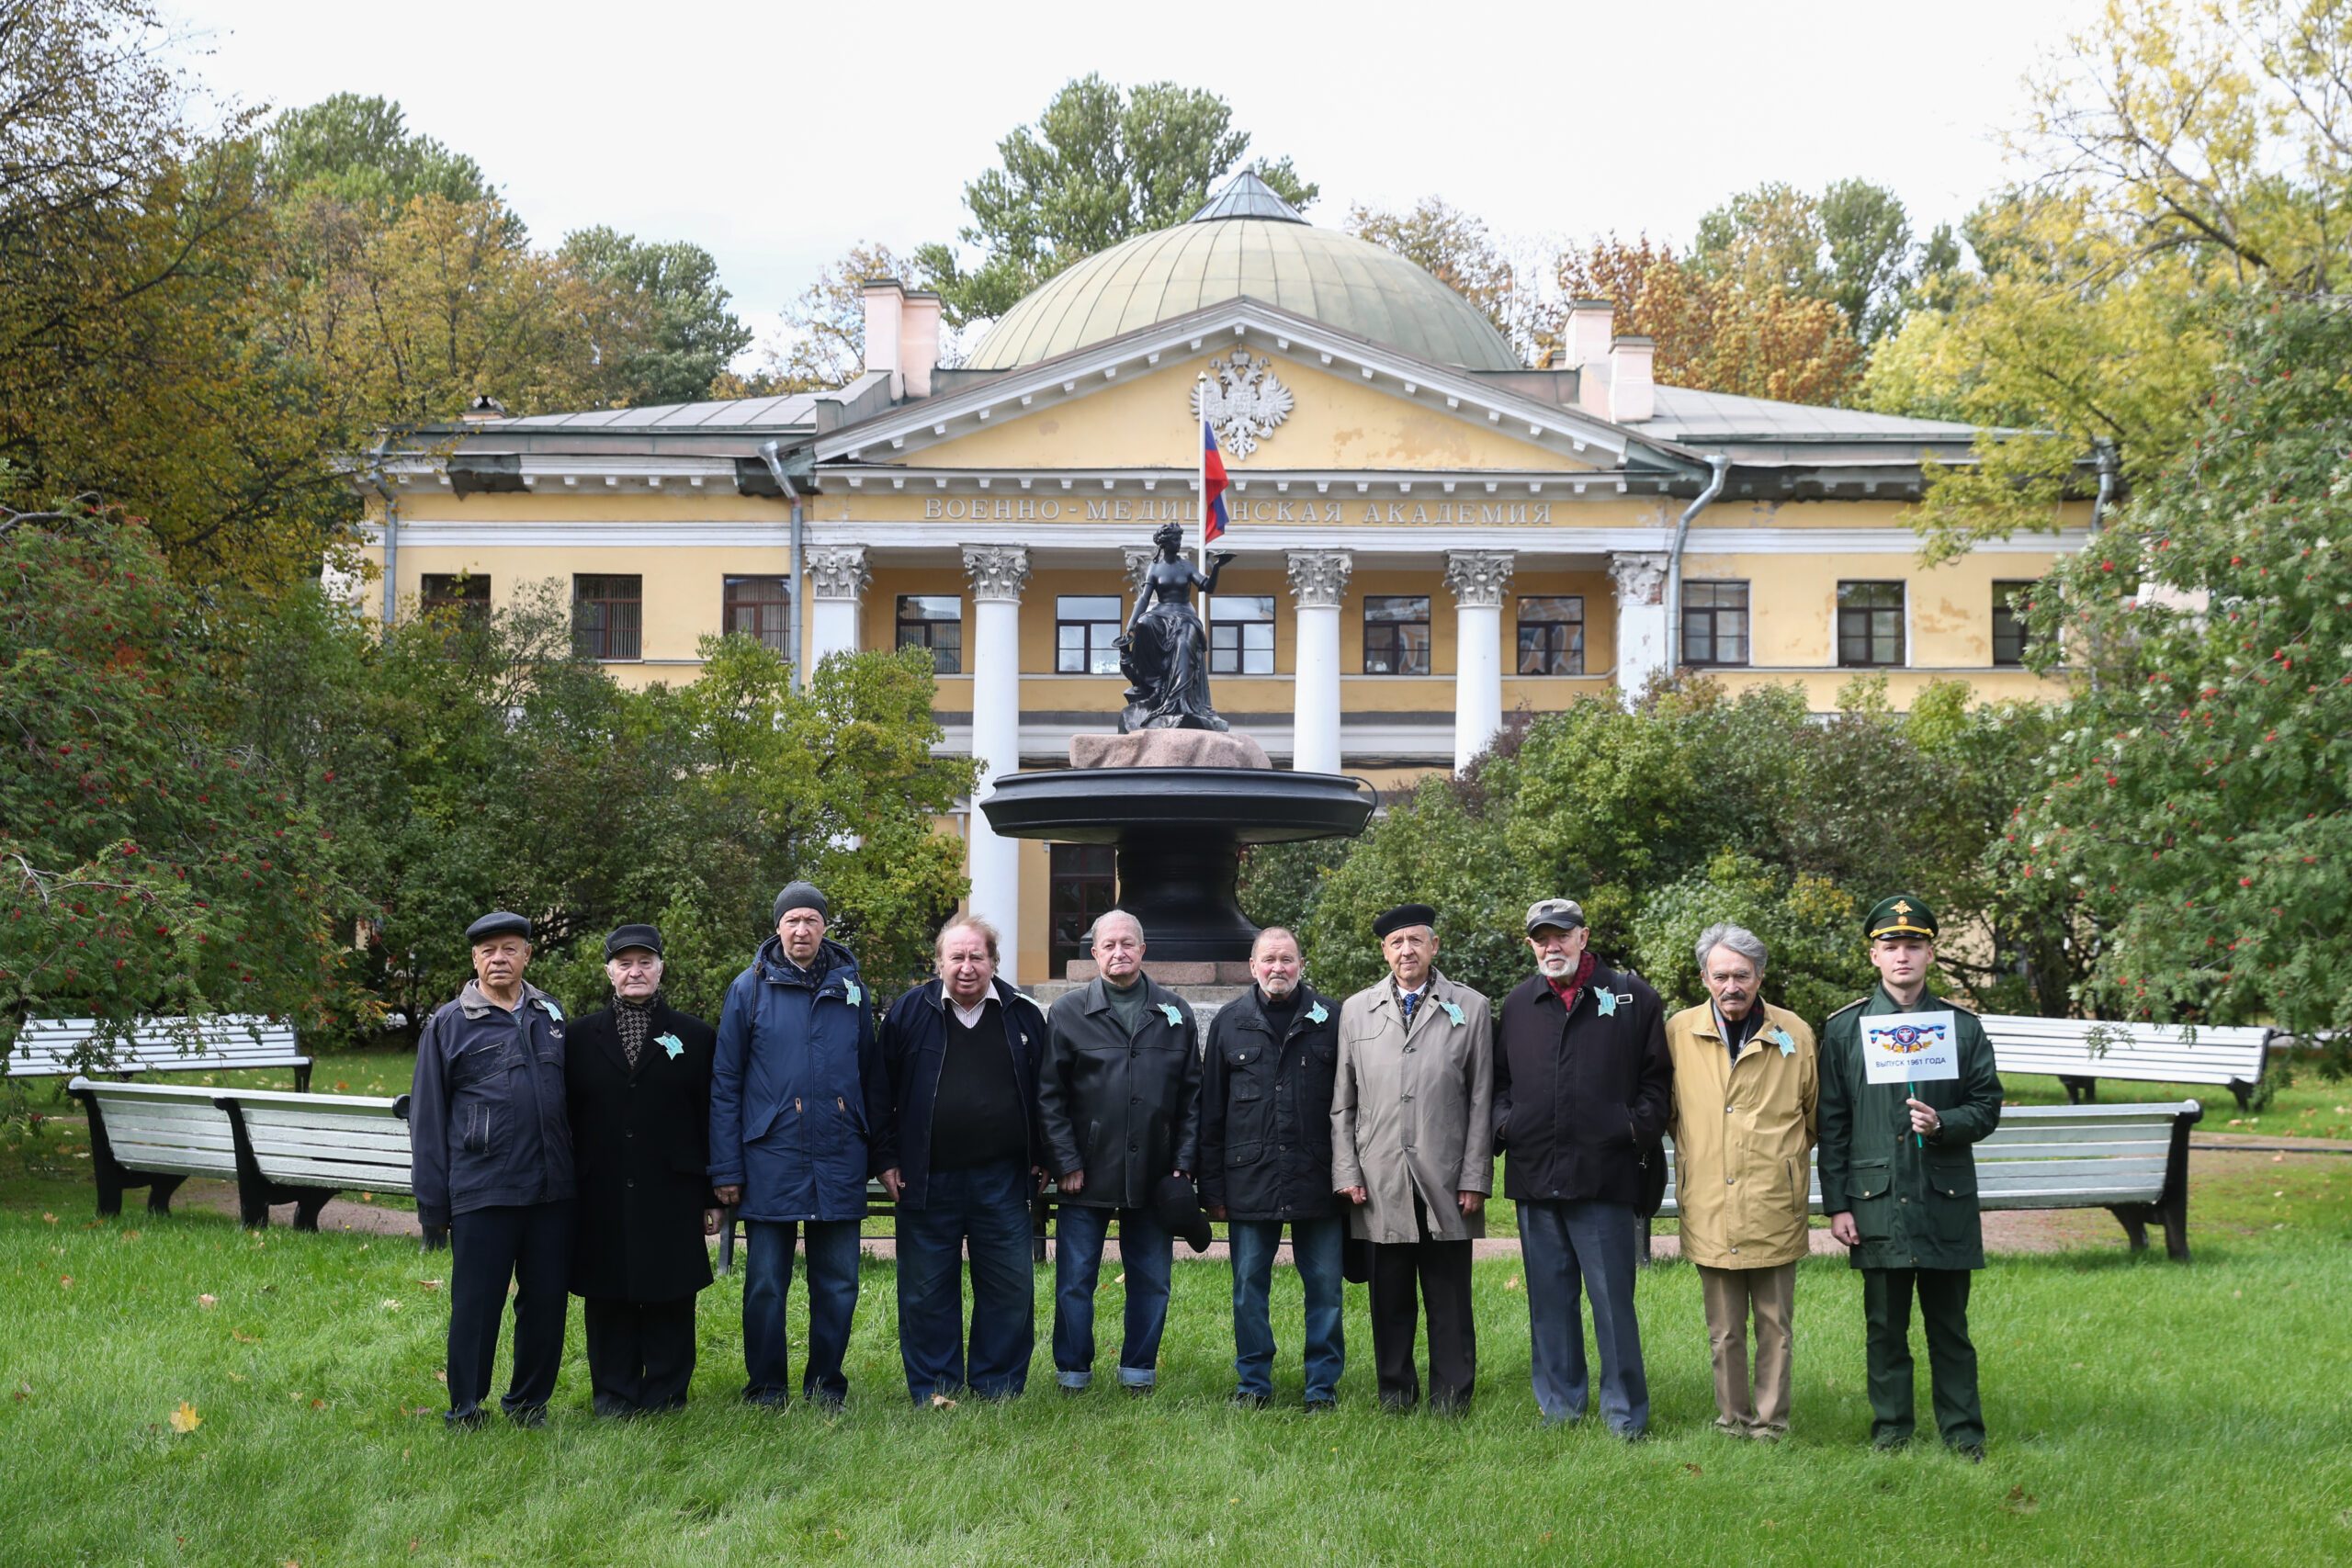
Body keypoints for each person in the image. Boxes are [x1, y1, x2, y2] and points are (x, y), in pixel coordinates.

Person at [1817, 894, 2003, 1460]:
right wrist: (1838, 1204)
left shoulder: (1961, 1028)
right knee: (1885, 1326)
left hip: (1942, 1197)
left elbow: (1987, 1106)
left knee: (1950, 1327)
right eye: (1890, 946)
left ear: (1931, 954)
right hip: (1875, 1201)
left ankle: (1963, 1434)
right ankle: (1893, 1430)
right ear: (1873, 956)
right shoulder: (1846, 1030)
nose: (1902, 956)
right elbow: (1833, 1123)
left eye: (1913, 946)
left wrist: (1945, 1122)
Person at [1493, 897, 1671, 1438]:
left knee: (1613, 1306)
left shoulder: (1632, 998)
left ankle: (1624, 1417)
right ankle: (1561, 1408)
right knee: (1549, 1303)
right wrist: (1507, 1126)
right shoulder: (1519, 1005)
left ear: (1583, 936)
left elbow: (1657, 1083)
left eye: (1561, 935)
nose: (1552, 946)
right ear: (1531, 944)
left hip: (1606, 1177)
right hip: (1536, 1176)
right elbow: (1499, 1084)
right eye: (1541, 937)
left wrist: (1629, 1128)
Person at [708, 882, 884, 1411]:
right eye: (792, 921)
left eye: (811, 919)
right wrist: (725, 1167)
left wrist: (879, 1152)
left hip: (838, 1155)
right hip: (770, 1158)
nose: (802, 929)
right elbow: (725, 1080)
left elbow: (870, 1074)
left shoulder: (852, 987)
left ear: (825, 926)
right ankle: (765, 1388)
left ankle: (826, 1385)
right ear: (777, 927)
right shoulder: (749, 989)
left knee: (838, 1285)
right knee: (765, 1285)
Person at [408, 910, 575, 1428]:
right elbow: (428, 1118)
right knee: (477, 1307)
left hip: (552, 1190)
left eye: (508, 949)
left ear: (527, 954)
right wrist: (433, 1205)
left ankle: (529, 1403)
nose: (498, 959)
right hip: (483, 1189)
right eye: (487, 951)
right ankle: (466, 1407)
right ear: (474, 959)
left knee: (546, 1304)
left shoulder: (551, 1014)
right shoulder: (448, 1024)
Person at [876, 915, 1051, 1404]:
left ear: (994, 961)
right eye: (957, 957)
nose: (967, 966)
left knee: (1010, 1289)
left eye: (977, 956)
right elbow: (879, 1091)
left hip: (1003, 1177)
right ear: (939, 963)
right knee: (926, 1291)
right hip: (925, 1177)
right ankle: (937, 1387)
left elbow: (1047, 1094)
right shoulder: (909, 1013)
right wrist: (886, 1157)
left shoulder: (1023, 1014)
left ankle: (997, 1386)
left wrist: (1044, 1155)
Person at [1331, 903, 1493, 1415]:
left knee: (1449, 1299)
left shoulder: (1472, 1007)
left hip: (1446, 1182)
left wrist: (1474, 1177)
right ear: (1384, 950)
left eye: (1416, 941)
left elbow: (1482, 1100)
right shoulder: (1356, 1010)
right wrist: (1347, 1171)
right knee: (1390, 1298)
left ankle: (1452, 1399)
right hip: (1379, 1180)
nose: (1407, 950)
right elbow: (1343, 1101)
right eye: (1397, 942)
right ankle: (1395, 1394)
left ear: (1434, 947)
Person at [1664, 922, 1818, 1440]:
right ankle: (1732, 1419)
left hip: (1775, 1199)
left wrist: (1782, 1163)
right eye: (1721, 975)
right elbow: (1668, 1112)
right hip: (1708, 1197)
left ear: (1760, 976)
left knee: (1776, 1326)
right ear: (1704, 977)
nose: (1732, 986)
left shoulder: (1794, 1032)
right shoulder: (1678, 1032)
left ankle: (1771, 1423)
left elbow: (1813, 1116)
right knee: (1724, 1329)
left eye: (1742, 975)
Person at [1036, 909, 1201, 1393]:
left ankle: (1138, 1370)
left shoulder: (1175, 1012)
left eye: (1127, 944)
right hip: (1085, 1172)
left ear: (1143, 950)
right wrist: (1065, 1161)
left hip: (1155, 1172)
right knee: (1074, 1281)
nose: (1118, 953)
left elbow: (1194, 1096)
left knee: (1151, 1279)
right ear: (1094, 954)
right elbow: (1049, 1095)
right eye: (1108, 945)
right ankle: (1072, 1370)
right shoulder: (1067, 1012)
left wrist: (1183, 1164)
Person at [563, 922, 718, 1418]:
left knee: (672, 1293)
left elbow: (710, 1116)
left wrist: (712, 1193)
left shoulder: (695, 1036)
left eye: (645, 962)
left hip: (672, 1188)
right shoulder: (578, 1037)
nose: (635, 971)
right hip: (600, 1188)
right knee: (608, 1294)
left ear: (661, 969)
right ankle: (614, 1393)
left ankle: (667, 1393)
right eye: (624, 963)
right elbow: (566, 1115)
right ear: (609, 972)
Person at [1199, 925, 1345, 1411]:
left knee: (1324, 1287)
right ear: (1253, 966)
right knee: (1247, 1289)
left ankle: (1321, 1388)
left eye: (1287, 959)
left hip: (1318, 1178)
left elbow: (1352, 1106)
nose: (1277, 968)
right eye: (1269, 960)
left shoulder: (1332, 1019)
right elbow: (1211, 1112)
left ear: (1301, 964)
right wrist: (1213, 1189)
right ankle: (1253, 1385)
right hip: (1250, 1178)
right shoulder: (1229, 1022)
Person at [1117, 520, 1238, 731]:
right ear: (1165, 543)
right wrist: (1131, 625)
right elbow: (1145, 599)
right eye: (1175, 539)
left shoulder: (1186, 566)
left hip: (1185, 616)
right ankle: (1150, 683)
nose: (1179, 543)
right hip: (1162, 614)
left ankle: (1180, 701)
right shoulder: (1155, 567)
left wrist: (1217, 567)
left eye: (1180, 539)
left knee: (1184, 642)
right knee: (1144, 623)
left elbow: (1208, 587)